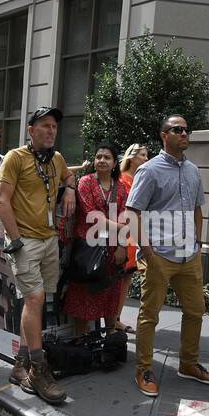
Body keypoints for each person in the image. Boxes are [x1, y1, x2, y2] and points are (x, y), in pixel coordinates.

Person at [127, 115, 209, 397]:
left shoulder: (193, 170)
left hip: (189, 255)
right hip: (160, 256)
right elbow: (133, 213)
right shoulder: (149, 170)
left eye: (186, 130)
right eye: (177, 129)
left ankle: (188, 364)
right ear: (163, 135)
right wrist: (148, 251)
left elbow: (197, 209)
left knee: (196, 310)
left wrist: (199, 245)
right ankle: (144, 369)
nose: (184, 134)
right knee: (149, 315)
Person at [0, 106, 77, 403]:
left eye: (54, 127)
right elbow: (2, 202)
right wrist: (15, 240)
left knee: (37, 302)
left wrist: (69, 189)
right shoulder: (15, 158)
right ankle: (39, 370)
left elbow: (69, 177)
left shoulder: (56, 159)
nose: (51, 131)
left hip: (49, 239)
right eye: (44, 126)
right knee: (35, 299)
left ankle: (21, 365)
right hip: (25, 241)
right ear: (31, 130)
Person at [64, 142, 132, 335]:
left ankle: (110, 340)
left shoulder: (120, 188)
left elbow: (124, 215)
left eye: (107, 157)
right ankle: (81, 340)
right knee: (84, 295)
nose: (101, 160)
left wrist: (121, 246)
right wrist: (121, 228)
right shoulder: (85, 182)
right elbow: (92, 216)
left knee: (111, 294)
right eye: (98, 157)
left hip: (112, 250)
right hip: (88, 248)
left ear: (114, 163)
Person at [118, 143, 149, 271]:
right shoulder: (122, 179)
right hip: (125, 232)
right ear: (131, 157)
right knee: (121, 274)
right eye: (142, 155)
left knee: (128, 274)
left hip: (136, 231)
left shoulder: (139, 179)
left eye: (146, 155)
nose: (146, 159)